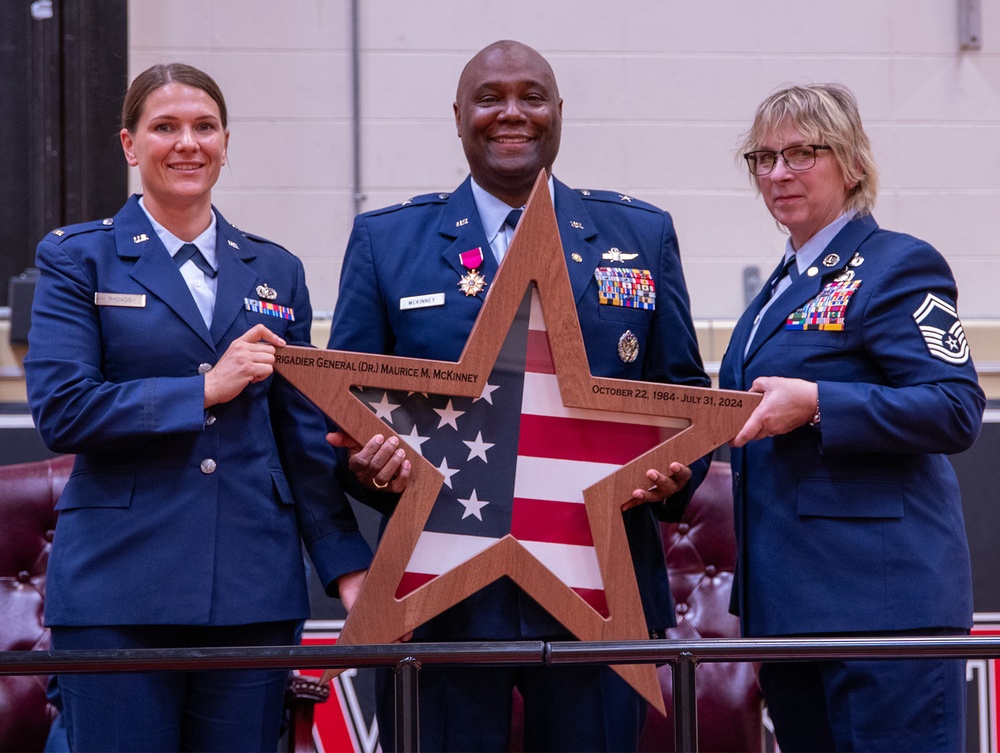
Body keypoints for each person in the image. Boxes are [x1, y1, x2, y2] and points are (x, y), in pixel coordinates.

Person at [326, 40, 709, 752]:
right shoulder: (389, 242)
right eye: (490, 97)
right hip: (439, 597)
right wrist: (367, 466)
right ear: (458, 116)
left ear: (558, 112)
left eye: (531, 97)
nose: (512, 114)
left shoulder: (638, 234)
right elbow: (348, 415)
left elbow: (682, 389)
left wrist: (672, 469)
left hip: (599, 585)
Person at [24, 63, 372, 752]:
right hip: (118, 588)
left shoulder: (277, 270)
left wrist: (348, 568)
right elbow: (62, 410)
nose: (188, 143)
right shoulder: (77, 258)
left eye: (204, 127)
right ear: (130, 145)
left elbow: (300, 440)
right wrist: (203, 388)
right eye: (166, 127)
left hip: (253, 586)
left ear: (225, 141)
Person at [720, 83, 985, 752]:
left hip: (883, 608)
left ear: (853, 164)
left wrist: (817, 404)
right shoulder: (776, 289)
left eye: (802, 153)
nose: (778, 173)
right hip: (792, 609)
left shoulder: (898, 264)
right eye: (764, 156)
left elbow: (955, 407)